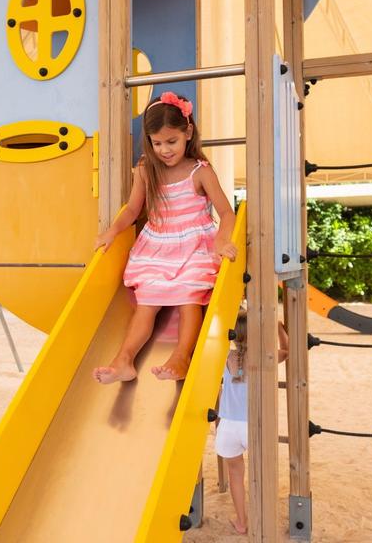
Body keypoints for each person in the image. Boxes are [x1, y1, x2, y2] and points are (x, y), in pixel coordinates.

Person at [92, 91, 237, 384]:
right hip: (158, 246)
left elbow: (226, 212)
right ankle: (123, 360)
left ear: (188, 133)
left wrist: (222, 241)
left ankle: (181, 357)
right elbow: (132, 209)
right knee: (147, 301)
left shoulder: (200, 171)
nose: (164, 150)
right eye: (157, 143)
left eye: (171, 142)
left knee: (189, 295)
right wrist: (112, 231)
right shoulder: (146, 169)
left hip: (195, 246)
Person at [216, 311, 289, 535]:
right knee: (262, 474)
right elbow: (288, 351)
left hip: (228, 427)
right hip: (254, 426)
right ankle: (264, 521)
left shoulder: (224, 357)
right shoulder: (264, 356)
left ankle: (242, 521)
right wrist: (279, 328)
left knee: (235, 474)